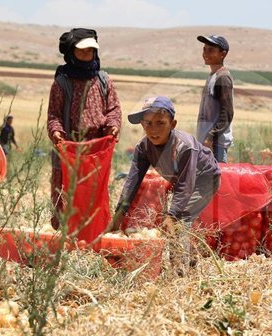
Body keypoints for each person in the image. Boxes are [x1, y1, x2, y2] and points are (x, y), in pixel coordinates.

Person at [108, 96, 221, 272]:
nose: (153, 130)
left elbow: (186, 184)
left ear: (173, 124)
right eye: (147, 123)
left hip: (205, 180)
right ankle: (190, 259)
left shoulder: (184, 147)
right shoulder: (143, 147)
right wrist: (120, 212)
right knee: (176, 217)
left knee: (179, 219)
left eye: (160, 123)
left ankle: (179, 269)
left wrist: (172, 214)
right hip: (181, 179)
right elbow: (133, 180)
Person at [47, 28, 122, 229]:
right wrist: (56, 134)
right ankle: (64, 236)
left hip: (96, 150)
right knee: (65, 194)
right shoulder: (62, 82)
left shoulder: (103, 80)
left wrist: (113, 126)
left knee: (93, 193)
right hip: (68, 148)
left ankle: (92, 234)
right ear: (71, 52)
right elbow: (54, 114)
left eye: (90, 51)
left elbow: (113, 109)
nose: (86, 55)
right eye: (81, 51)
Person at [196, 34, 234, 163]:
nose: (206, 53)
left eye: (211, 50)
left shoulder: (222, 78)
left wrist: (211, 137)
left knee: (216, 182)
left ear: (222, 54)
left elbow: (227, 114)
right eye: (204, 49)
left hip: (215, 145)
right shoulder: (213, 75)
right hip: (207, 143)